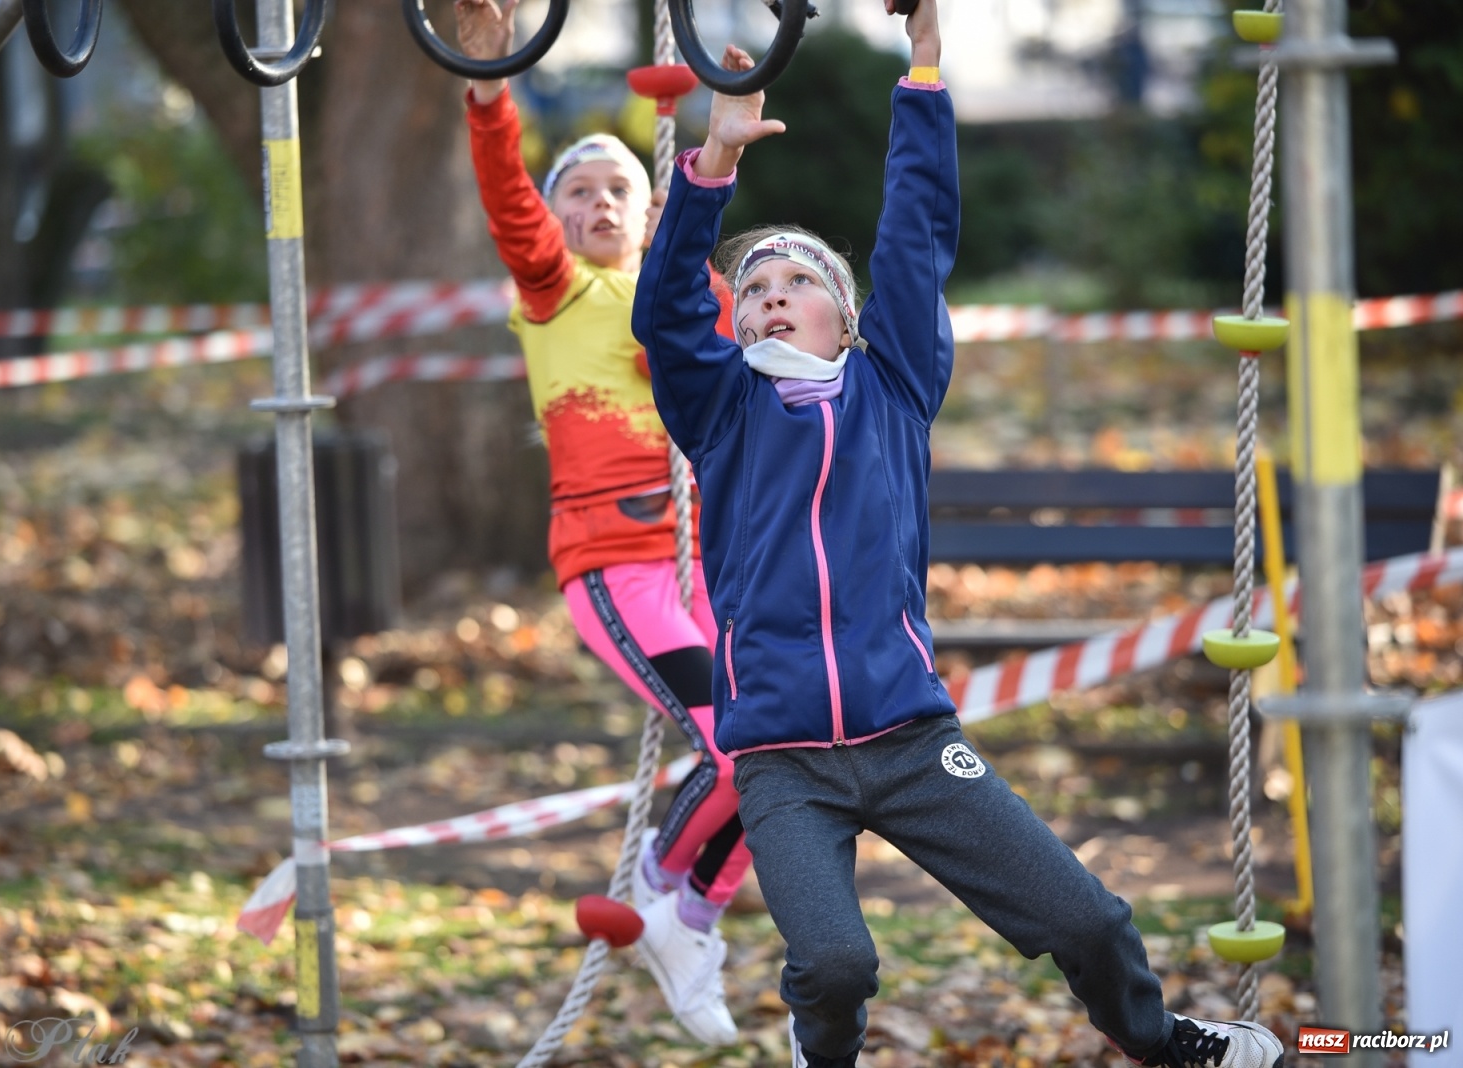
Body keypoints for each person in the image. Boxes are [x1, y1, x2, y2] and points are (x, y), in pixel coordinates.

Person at [631, 4, 1290, 1067]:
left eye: (799, 281)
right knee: (836, 967)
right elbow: (664, 312)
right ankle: (822, 1054)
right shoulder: (718, 413)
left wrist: (926, 65)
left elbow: (915, 234)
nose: (770, 295)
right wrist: (712, 156)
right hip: (783, 761)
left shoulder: (889, 386)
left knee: (1086, 921)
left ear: (846, 319)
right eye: (753, 288)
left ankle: (1165, 1041)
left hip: (906, 736)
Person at [452, 0, 752, 1046]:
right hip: (619, 563)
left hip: (708, 561)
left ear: (646, 203)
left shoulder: (680, 293)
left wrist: (718, 141)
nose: (594, 204)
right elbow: (508, 202)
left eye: (615, 187)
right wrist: (490, 89)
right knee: (733, 737)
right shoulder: (555, 290)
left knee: (780, 742)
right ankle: (673, 895)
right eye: (575, 191)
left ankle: (688, 914)